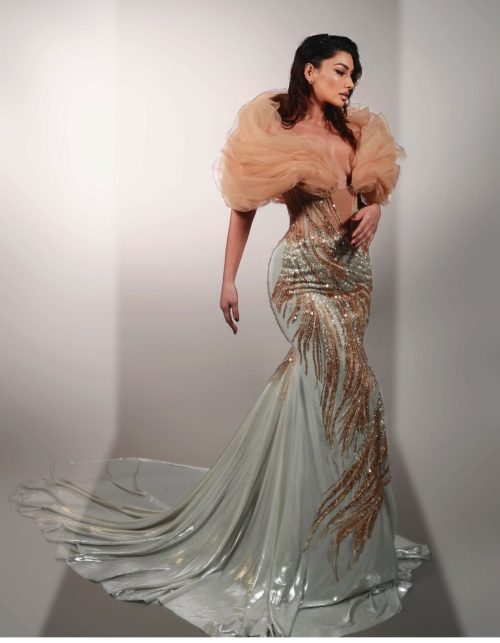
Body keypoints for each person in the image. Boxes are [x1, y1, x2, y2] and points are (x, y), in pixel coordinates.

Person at [8, 34, 431, 637]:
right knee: (346, 388)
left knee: (325, 397)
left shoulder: (357, 133)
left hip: (352, 278)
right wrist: (228, 279)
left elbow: (367, 193)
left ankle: (332, 542)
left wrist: (376, 209)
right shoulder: (279, 133)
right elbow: (243, 207)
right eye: (340, 71)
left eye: (354, 74)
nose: (349, 83)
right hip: (301, 276)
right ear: (309, 71)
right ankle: (312, 540)